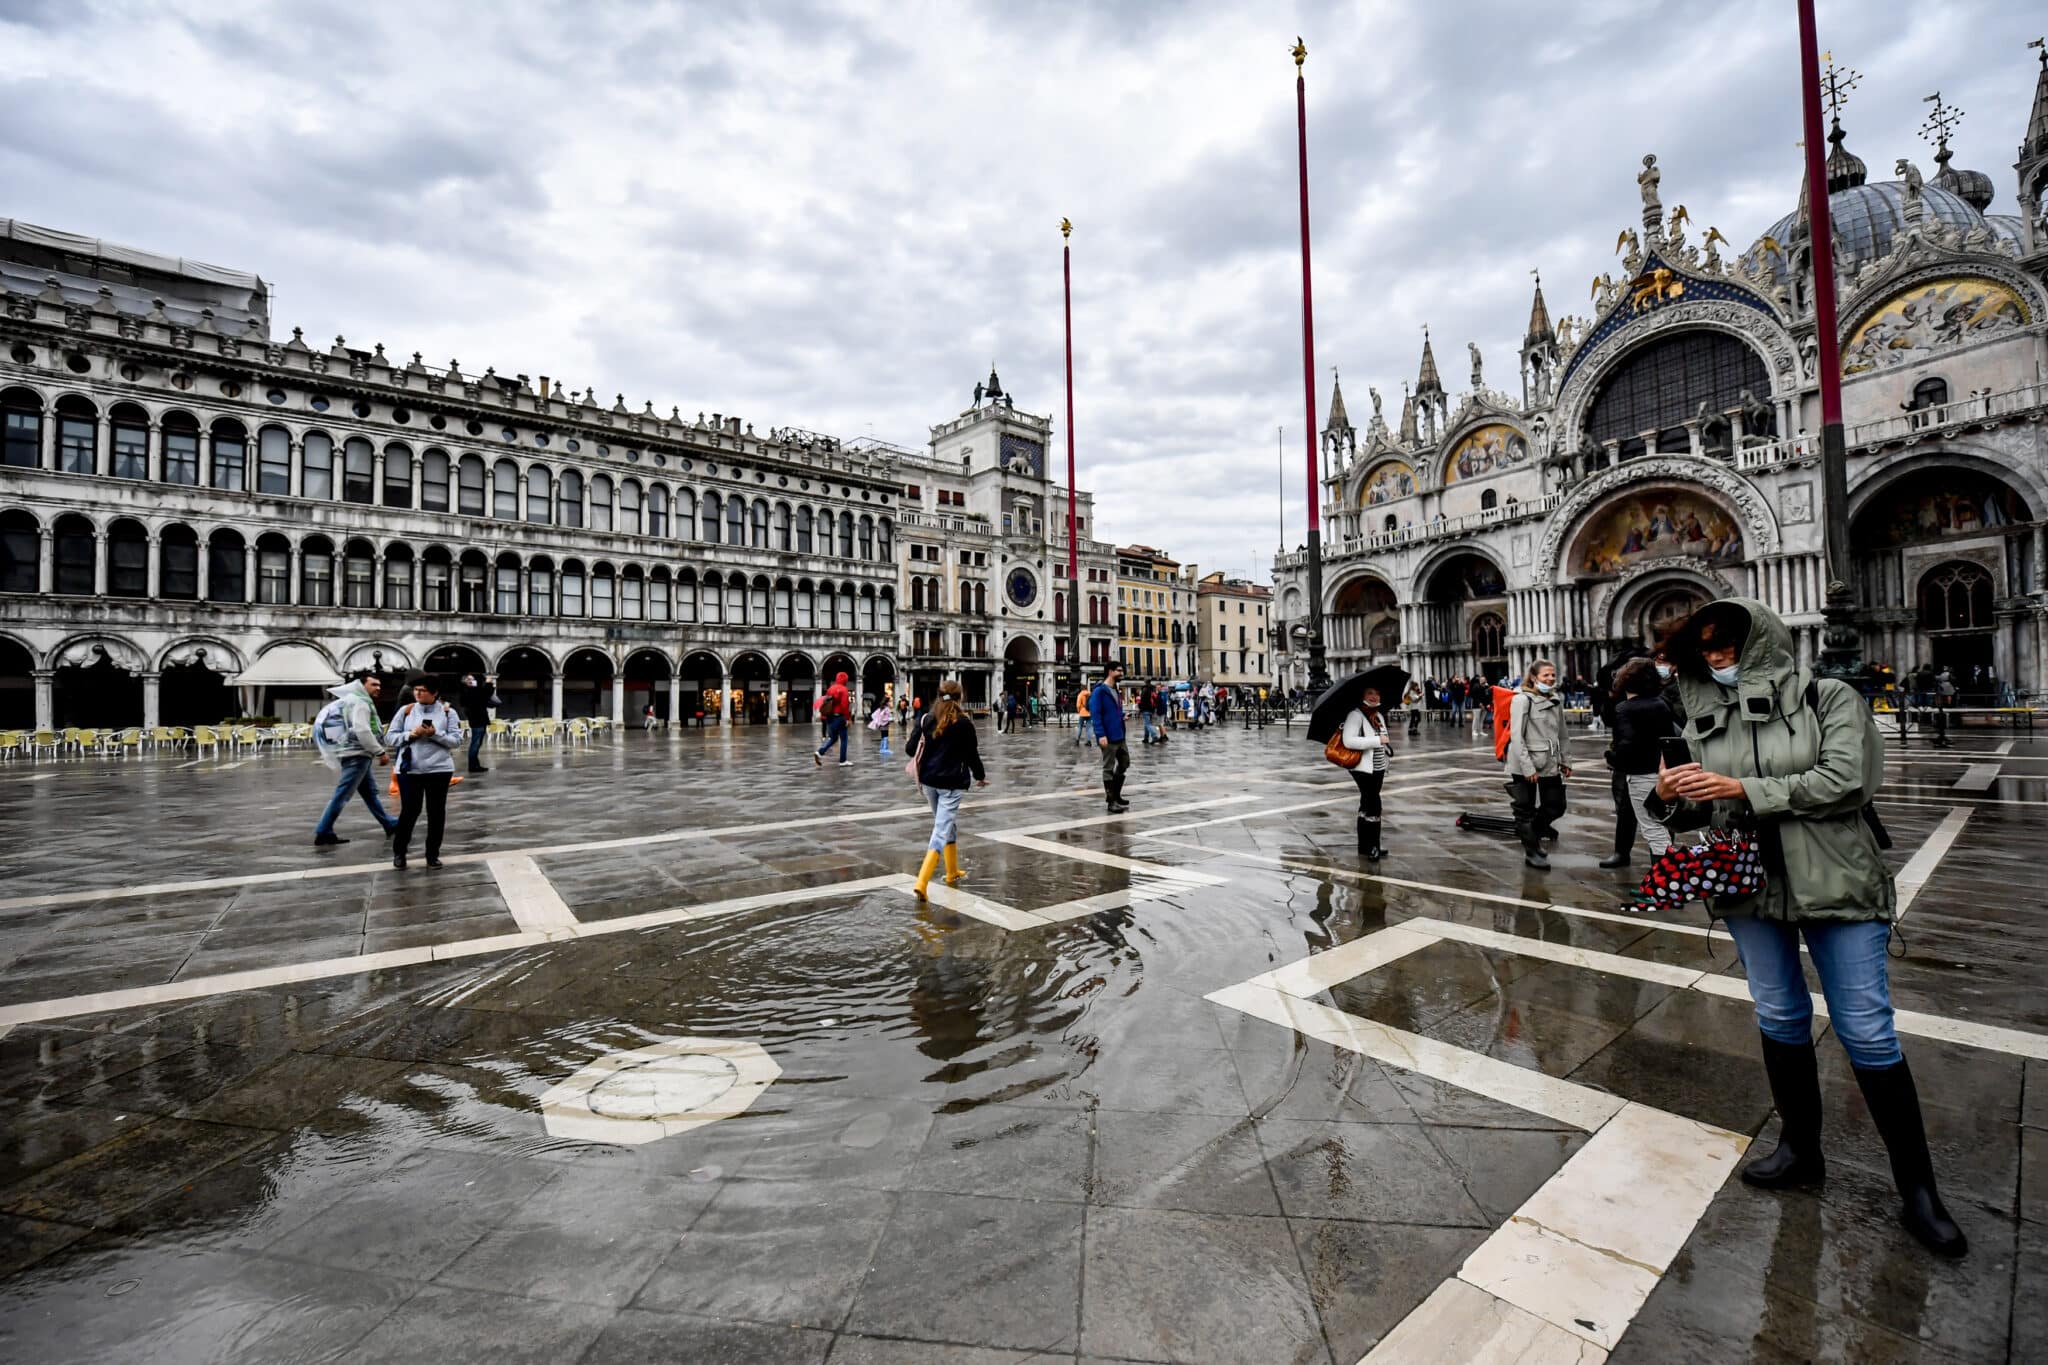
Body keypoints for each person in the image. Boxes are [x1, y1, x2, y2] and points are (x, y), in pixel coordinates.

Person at [1651, 597, 1966, 1258]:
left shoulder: (1830, 696)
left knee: (1866, 1026)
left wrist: (1744, 789)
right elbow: (1701, 814)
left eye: (1727, 642)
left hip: (1835, 879)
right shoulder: (1702, 709)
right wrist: (1672, 797)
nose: (1716, 656)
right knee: (1778, 1013)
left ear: (1759, 638)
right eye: (1704, 646)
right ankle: (1800, 1148)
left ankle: (1919, 1190)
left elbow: (1848, 779)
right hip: (1748, 885)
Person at [910, 679, 987, 897]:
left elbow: (909, 749)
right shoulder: (964, 723)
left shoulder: (926, 718)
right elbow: (972, 755)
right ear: (960, 697)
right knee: (941, 829)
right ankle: (922, 881)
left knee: (946, 823)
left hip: (929, 782)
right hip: (951, 784)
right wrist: (980, 776)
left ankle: (952, 871)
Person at [385, 675, 464, 870]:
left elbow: (456, 740)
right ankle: (400, 852)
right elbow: (389, 737)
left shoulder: (448, 713)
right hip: (410, 769)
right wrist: (410, 734)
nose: (418, 693)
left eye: (422, 690)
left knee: (436, 812)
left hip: (439, 769)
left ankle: (432, 854)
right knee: (410, 811)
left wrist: (434, 734)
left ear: (435, 693)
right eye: (416, 690)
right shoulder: (406, 711)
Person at [312, 672, 398, 847]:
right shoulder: (361, 702)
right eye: (374, 685)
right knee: (342, 794)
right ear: (362, 685)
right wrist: (380, 752)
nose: (378, 688)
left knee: (370, 792)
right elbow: (362, 730)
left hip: (354, 754)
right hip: (357, 756)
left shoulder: (352, 700)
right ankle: (323, 831)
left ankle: (388, 823)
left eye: (379, 685)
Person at [1604, 658, 1675, 864]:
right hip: (1662, 772)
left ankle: (1663, 885)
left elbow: (1626, 744)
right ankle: (1662, 883)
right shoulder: (1660, 703)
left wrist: (1613, 758)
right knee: (1661, 824)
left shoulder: (1625, 709)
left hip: (1640, 774)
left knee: (1652, 828)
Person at [1504, 659, 1572, 869]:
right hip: (1525, 764)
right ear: (1534, 678)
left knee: (1556, 805)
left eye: (1553, 675)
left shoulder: (1555, 700)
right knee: (1524, 809)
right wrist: (1527, 767)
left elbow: (1563, 734)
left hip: (1549, 762)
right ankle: (1532, 851)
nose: (1550, 678)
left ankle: (1531, 835)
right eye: (1546, 675)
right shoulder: (1522, 700)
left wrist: (1566, 760)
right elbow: (1516, 736)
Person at [1594, 648, 1651, 868]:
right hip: (1624, 759)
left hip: (1653, 760)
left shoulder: (1659, 695)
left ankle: (1664, 856)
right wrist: (1612, 692)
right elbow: (1608, 719)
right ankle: (1621, 852)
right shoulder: (1619, 696)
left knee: (1659, 810)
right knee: (1624, 809)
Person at [1341, 686, 1394, 859]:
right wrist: (1377, 739)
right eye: (1370, 693)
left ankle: (1363, 846)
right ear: (1362, 695)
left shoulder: (1377, 715)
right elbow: (1348, 741)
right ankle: (1373, 846)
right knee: (1374, 804)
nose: (1374, 696)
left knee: (1366, 802)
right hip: (1362, 768)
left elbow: (1382, 737)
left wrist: (1383, 742)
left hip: (1378, 767)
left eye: (1377, 693)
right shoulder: (1355, 715)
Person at [1090, 663, 1130, 813]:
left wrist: (1121, 716)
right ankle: (1111, 801)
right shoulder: (1099, 691)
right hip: (1108, 737)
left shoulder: (1115, 690)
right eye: (1119, 670)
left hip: (1120, 734)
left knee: (1125, 763)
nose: (1122, 673)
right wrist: (1100, 735)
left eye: (1122, 670)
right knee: (1108, 768)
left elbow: (1113, 711)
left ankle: (1116, 795)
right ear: (1110, 672)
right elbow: (1096, 714)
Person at [814, 670, 853, 767]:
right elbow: (844, 705)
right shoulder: (844, 689)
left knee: (833, 738)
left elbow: (825, 702)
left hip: (829, 717)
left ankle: (819, 752)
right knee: (844, 739)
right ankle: (843, 761)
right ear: (845, 680)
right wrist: (847, 719)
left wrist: (824, 716)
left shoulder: (830, 688)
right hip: (839, 717)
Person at [459, 672, 495, 773]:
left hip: (478, 720)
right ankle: (473, 766)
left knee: (477, 743)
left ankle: (475, 764)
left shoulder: (469, 691)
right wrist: (488, 683)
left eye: (473, 679)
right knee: (475, 743)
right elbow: (486, 693)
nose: (472, 681)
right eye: (469, 679)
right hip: (477, 720)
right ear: (465, 681)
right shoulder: (469, 691)